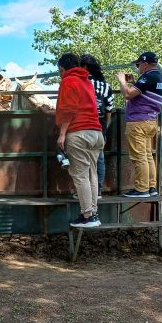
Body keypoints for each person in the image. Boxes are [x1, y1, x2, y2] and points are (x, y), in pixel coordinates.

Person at [55, 53, 105, 228]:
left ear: (62, 68)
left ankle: (87, 216)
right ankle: (93, 213)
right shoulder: (87, 82)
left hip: (78, 133)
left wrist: (62, 134)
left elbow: (69, 109)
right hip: (96, 133)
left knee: (80, 176)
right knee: (92, 174)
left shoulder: (68, 81)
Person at [116, 52, 162, 198]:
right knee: (147, 156)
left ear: (145, 63)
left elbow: (128, 95)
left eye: (138, 64)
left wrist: (122, 81)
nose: (137, 67)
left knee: (139, 157)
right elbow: (144, 93)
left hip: (138, 122)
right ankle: (151, 187)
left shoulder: (148, 76)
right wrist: (134, 82)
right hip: (150, 121)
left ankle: (141, 189)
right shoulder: (159, 77)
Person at [80, 54, 114, 196]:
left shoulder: (79, 83)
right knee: (99, 159)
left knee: (81, 161)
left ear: (85, 68)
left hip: (80, 126)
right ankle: (97, 191)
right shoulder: (106, 86)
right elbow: (108, 112)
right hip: (99, 126)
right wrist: (104, 131)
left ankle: (83, 193)